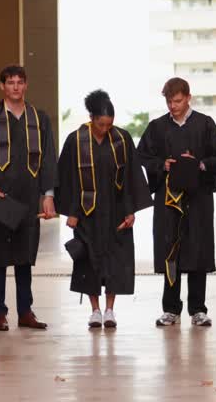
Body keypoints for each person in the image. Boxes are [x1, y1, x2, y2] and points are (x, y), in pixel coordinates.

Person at [0, 65, 58, 331]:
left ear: (26, 85)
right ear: (2, 86)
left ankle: (25, 311)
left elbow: (48, 159)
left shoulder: (38, 119)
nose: (16, 87)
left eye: (20, 82)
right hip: (1, 197)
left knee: (23, 257)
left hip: (30, 197)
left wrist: (49, 195)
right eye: (10, 82)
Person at [136, 77, 216, 328]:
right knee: (171, 253)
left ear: (188, 97)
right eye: (168, 101)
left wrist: (200, 163)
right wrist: (161, 164)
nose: (172, 106)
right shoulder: (157, 127)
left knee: (197, 250)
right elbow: (141, 155)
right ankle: (171, 309)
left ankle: (198, 309)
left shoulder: (205, 124)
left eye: (177, 101)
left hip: (197, 199)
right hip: (168, 201)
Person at [57, 90, 152, 329]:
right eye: (101, 124)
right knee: (88, 260)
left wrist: (131, 211)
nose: (105, 129)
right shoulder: (76, 140)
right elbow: (66, 178)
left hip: (116, 210)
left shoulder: (122, 138)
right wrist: (71, 212)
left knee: (115, 261)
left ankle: (110, 310)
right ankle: (95, 311)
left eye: (109, 124)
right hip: (86, 212)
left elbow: (132, 176)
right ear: (91, 117)